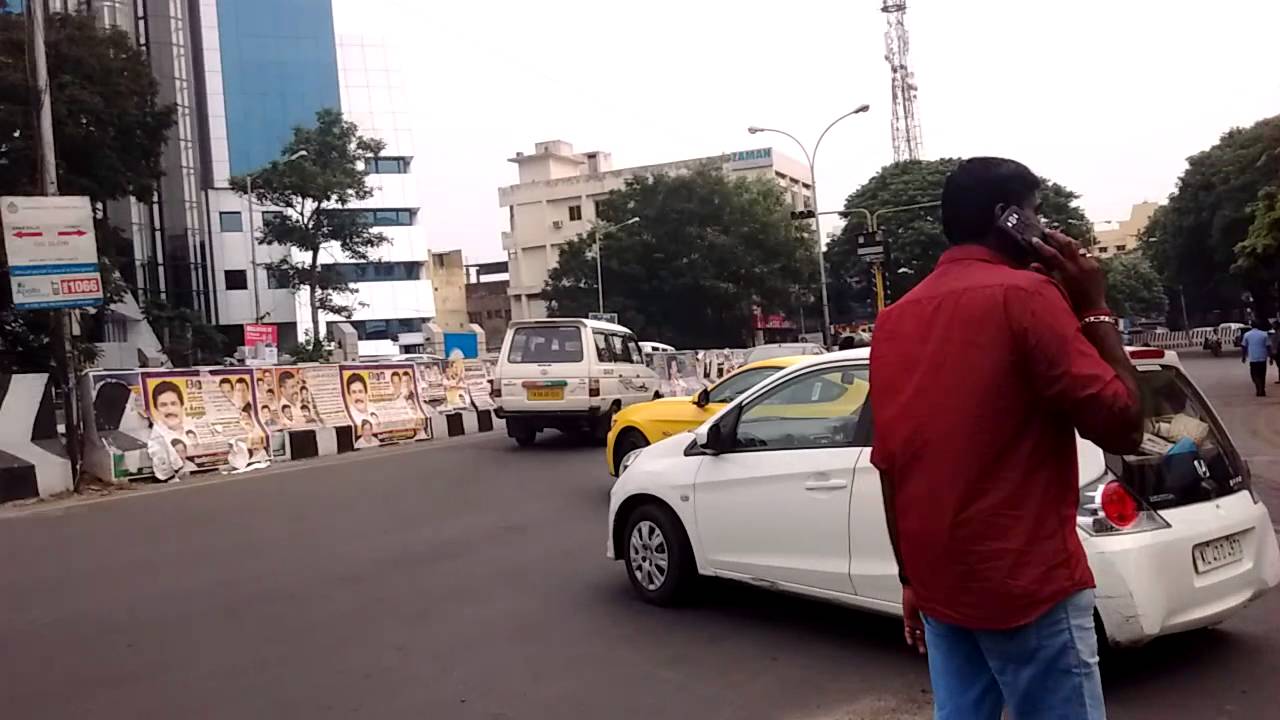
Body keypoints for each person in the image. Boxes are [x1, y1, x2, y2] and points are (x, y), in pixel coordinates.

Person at [870, 157, 1142, 720]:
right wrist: (1093, 304)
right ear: (1008, 218)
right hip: (1028, 583)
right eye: (1037, 214)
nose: (1044, 228)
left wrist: (910, 580)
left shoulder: (894, 320)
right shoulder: (1026, 297)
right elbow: (1124, 424)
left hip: (938, 581)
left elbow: (892, 464)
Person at [1241, 319, 1271, 397]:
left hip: (1253, 357)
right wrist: (1271, 357)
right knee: (1262, 375)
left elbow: (1244, 347)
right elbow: (1268, 347)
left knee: (1254, 375)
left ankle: (1259, 388)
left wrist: (1244, 356)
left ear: (1251, 326)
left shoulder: (1247, 335)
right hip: (1263, 357)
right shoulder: (1264, 334)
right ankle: (1262, 390)